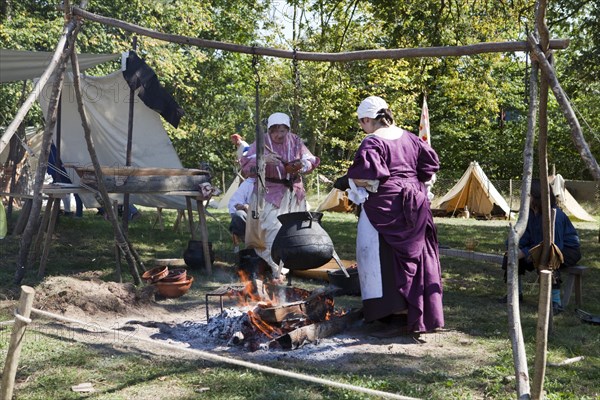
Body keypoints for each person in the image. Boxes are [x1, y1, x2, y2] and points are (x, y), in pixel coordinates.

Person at [335, 95, 443, 335]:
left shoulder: (372, 142)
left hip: (385, 206)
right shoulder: (411, 138)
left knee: (380, 256)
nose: (362, 128)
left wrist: (348, 180)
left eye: (361, 123)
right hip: (415, 202)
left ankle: (390, 315)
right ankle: (416, 312)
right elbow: (427, 170)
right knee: (416, 257)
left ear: (367, 119)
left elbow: (370, 177)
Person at [240, 112, 320, 283]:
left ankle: (284, 268)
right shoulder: (261, 143)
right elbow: (246, 168)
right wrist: (263, 160)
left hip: (293, 192)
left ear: (288, 129)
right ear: (269, 130)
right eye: (275, 130)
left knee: (292, 231)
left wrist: (300, 165)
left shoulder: (296, 141)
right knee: (270, 230)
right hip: (269, 192)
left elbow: (310, 160)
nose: (279, 134)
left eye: (283, 130)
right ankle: (277, 268)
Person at [500, 179, 581, 315]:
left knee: (547, 259)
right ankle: (515, 294)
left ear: (537, 196)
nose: (524, 198)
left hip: (565, 250)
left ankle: (555, 302)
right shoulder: (530, 214)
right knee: (511, 256)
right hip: (541, 247)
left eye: (528, 195)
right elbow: (524, 235)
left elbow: (554, 245)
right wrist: (514, 246)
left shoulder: (555, 215)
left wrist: (526, 252)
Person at [227, 176, 256, 253]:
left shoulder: (279, 184)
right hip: (251, 217)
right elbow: (234, 204)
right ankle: (248, 245)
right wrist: (245, 207)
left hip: (269, 216)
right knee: (238, 215)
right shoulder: (248, 183)